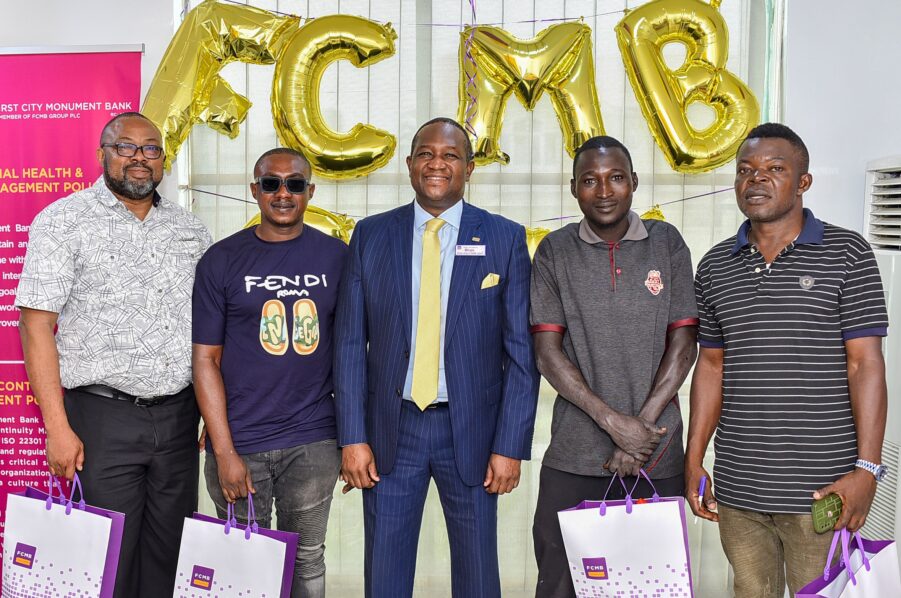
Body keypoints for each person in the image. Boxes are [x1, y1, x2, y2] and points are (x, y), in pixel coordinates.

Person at [334, 117, 540, 598]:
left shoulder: (505, 239)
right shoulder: (370, 235)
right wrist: (352, 437)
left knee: (478, 576)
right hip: (391, 430)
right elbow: (348, 344)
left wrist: (510, 444)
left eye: (450, 155)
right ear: (409, 165)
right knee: (384, 575)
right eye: (426, 153)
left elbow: (521, 355)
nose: (437, 164)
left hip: (471, 432)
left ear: (469, 168)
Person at [687, 123, 889, 597]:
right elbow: (711, 367)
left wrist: (868, 470)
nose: (756, 179)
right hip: (740, 488)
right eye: (745, 170)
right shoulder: (715, 265)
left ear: (803, 182)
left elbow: (866, 366)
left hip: (822, 489)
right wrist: (694, 458)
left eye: (775, 169)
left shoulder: (848, 254)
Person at [15, 112, 211, 597]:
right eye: (126, 147)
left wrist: (212, 410)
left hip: (179, 417)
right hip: (101, 418)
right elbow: (35, 326)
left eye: (151, 149)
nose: (140, 159)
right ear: (102, 153)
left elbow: (211, 330)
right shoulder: (63, 221)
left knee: (172, 557)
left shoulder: (191, 231)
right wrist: (57, 428)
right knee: (105, 561)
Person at [529, 136, 699, 597]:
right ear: (573, 189)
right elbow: (548, 353)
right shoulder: (554, 251)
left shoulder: (667, 243)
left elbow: (684, 343)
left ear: (634, 183)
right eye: (590, 180)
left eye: (616, 178)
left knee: (649, 585)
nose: (604, 190)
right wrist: (613, 423)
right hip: (574, 456)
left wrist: (639, 431)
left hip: (657, 455)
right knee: (561, 583)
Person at [192, 147, 346, 598]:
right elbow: (205, 360)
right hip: (241, 443)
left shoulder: (337, 257)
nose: (283, 193)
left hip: (314, 440)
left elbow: (355, 351)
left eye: (294, 184)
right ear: (254, 190)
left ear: (310, 192)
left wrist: (355, 437)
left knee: (307, 557)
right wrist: (224, 451)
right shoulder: (221, 261)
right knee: (241, 561)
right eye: (271, 183)